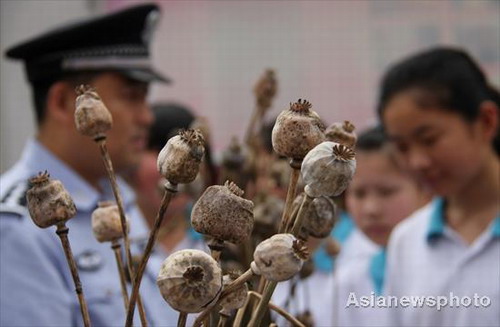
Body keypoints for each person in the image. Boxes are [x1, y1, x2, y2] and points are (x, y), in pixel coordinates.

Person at [0, 4, 183, 326]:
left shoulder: (115, 197)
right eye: (131, 96)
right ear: (62, 103)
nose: (147, 117)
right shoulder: (16, 229)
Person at [378, 47, 499, 326]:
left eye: (429, 139)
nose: (417, 162)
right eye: (402, 147)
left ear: (485, 122)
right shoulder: (407, 241)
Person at [333, 125, 430, 326]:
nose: (371, 209)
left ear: (425, 189)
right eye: (359, 193)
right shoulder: (348, 282)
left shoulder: (448, 268)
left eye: (387, 192)